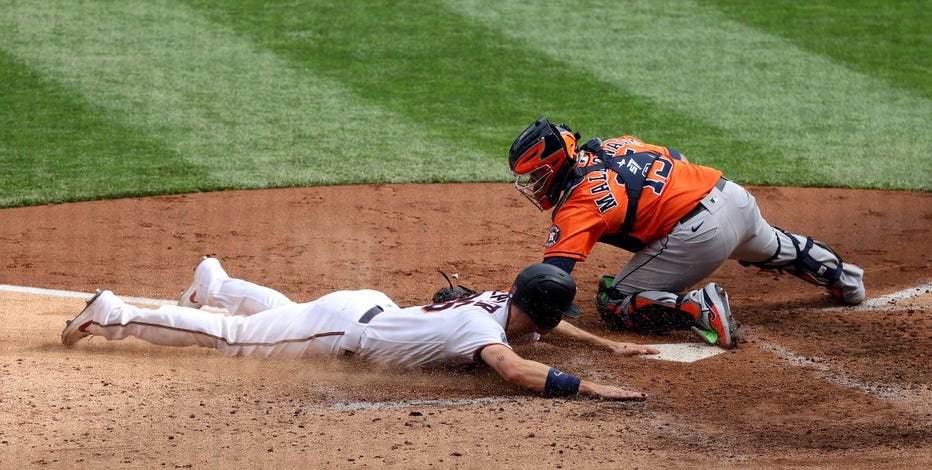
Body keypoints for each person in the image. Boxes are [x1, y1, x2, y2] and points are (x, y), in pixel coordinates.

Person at [62, 257, 660, 400]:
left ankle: (214, 282)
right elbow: (512, 368)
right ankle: (112, 313)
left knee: (280, 317)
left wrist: (604, 343)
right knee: (234, 339)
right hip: (340, 329)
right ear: (545, 312)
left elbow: (547, 331)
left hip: (363, 306)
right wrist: (589, 387)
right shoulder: (484, 332)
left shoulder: (508, 303)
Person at [507, 117, 866, 349]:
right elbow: (675, 157)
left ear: (554, 166)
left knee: (613, 302)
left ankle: (699, 307)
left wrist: (502, 308)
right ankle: (846, 278)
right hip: (732, 197)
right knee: (774, 246)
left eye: (536, 176)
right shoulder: (617, 144)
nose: (534, 186)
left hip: (698, 236)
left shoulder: (578, 206)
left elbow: (550, 282)